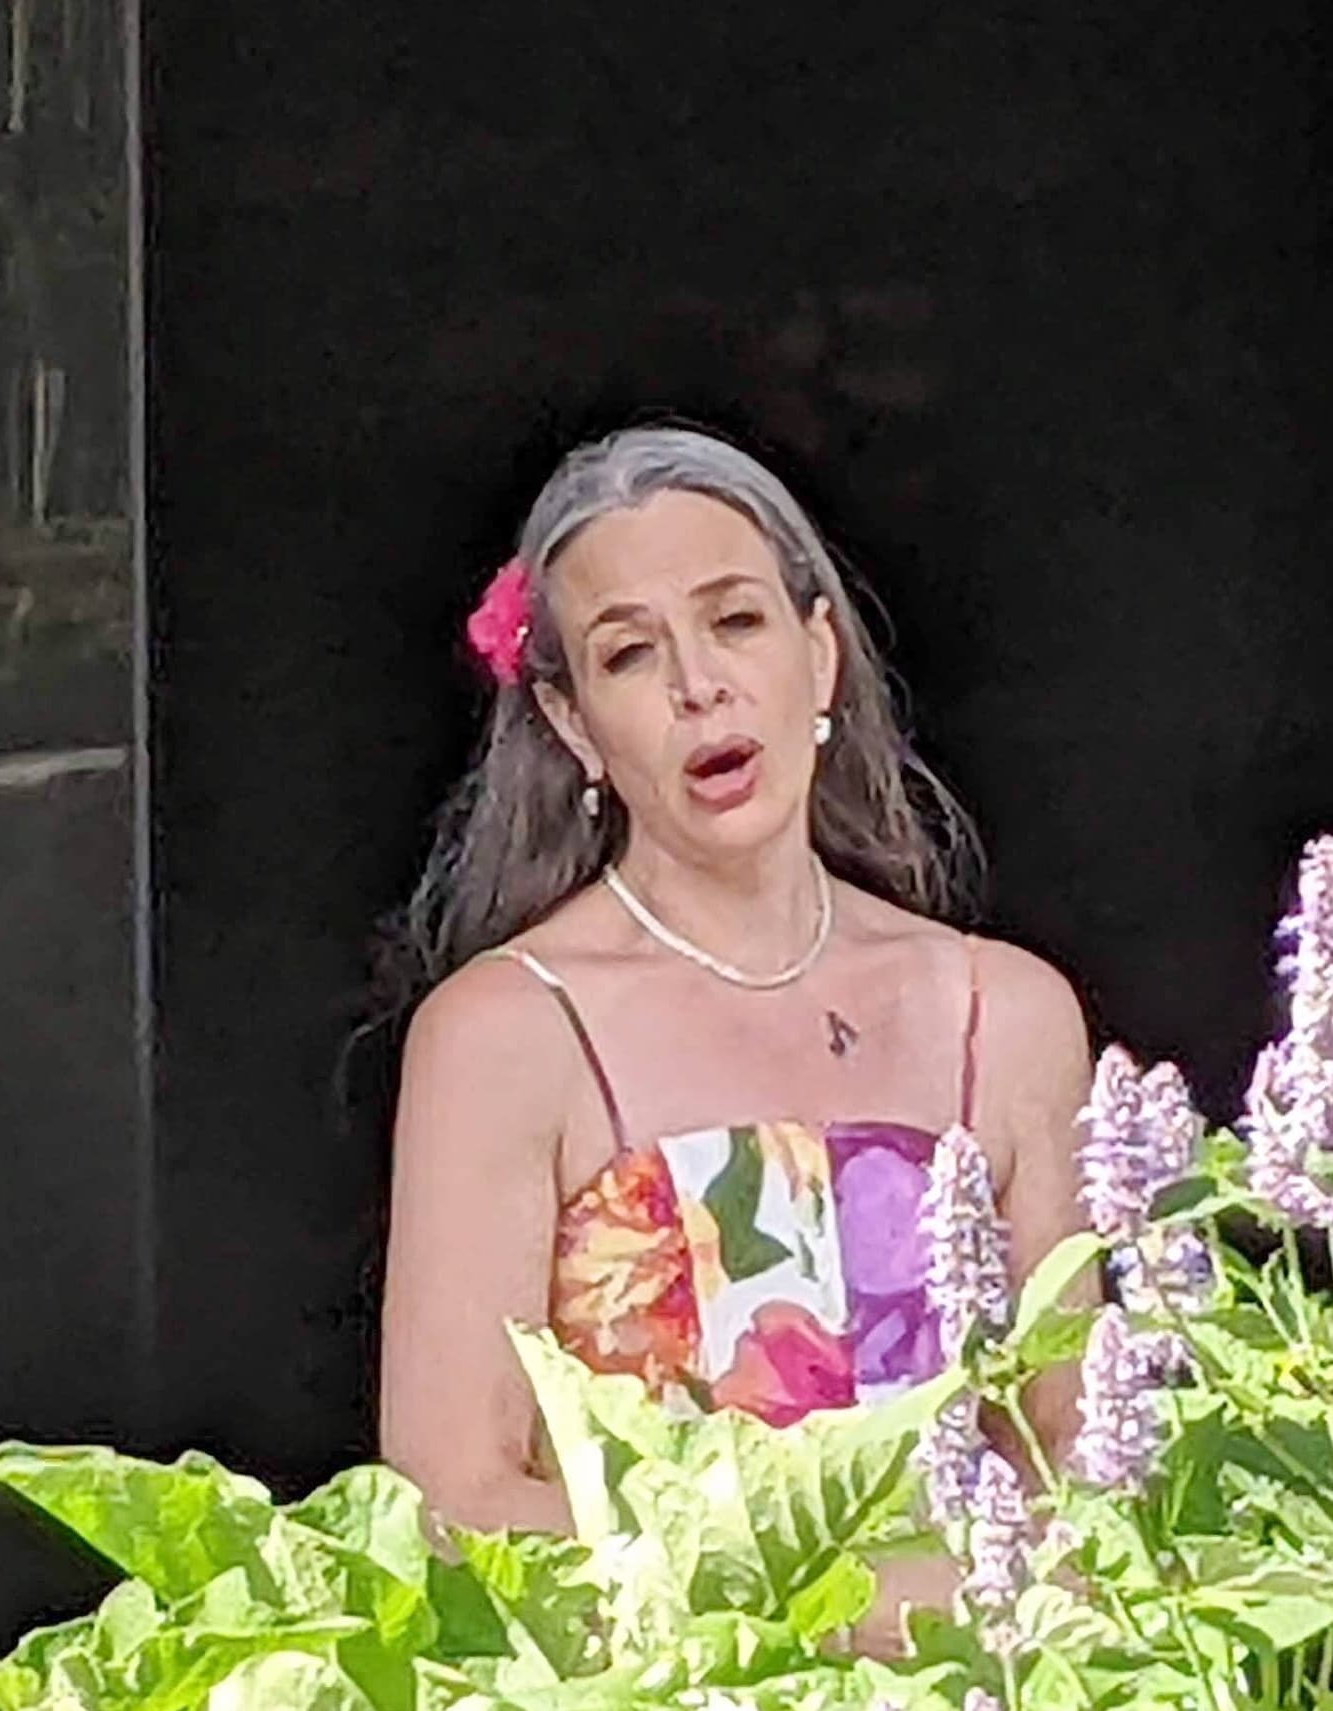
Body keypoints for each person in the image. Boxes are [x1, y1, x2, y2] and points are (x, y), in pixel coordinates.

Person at [378, 426, 1090, 1536]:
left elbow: (1078, 1461)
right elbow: (452, 1497)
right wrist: (823, 1616)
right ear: (574, 723)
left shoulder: (1004, 1017)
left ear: (819, 654)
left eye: (735, 621)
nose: (699, 686)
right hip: (663, 1700)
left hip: (988, 1685)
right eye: (629, 654)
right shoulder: (507, 1032)